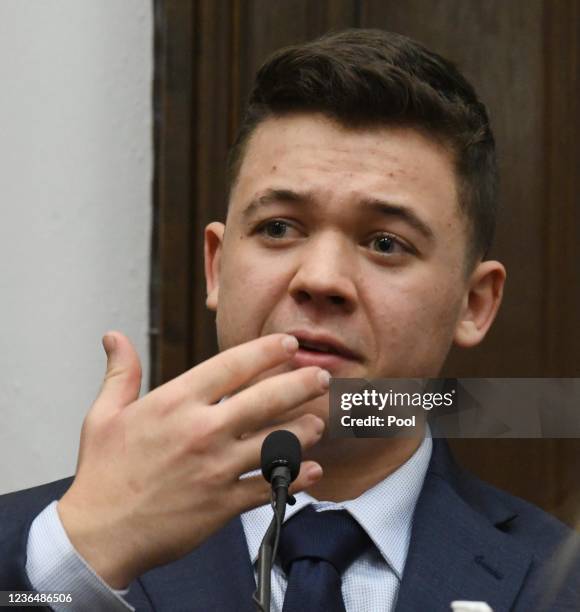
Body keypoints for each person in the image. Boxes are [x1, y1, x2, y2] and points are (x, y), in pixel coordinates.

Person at [1, 28, 578, 612]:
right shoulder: (39, 545)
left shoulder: (559, 585)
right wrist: (81, 557)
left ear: (474, 304)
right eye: (278, 227)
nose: (321, 279)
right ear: (217, 268)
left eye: (385, 242)